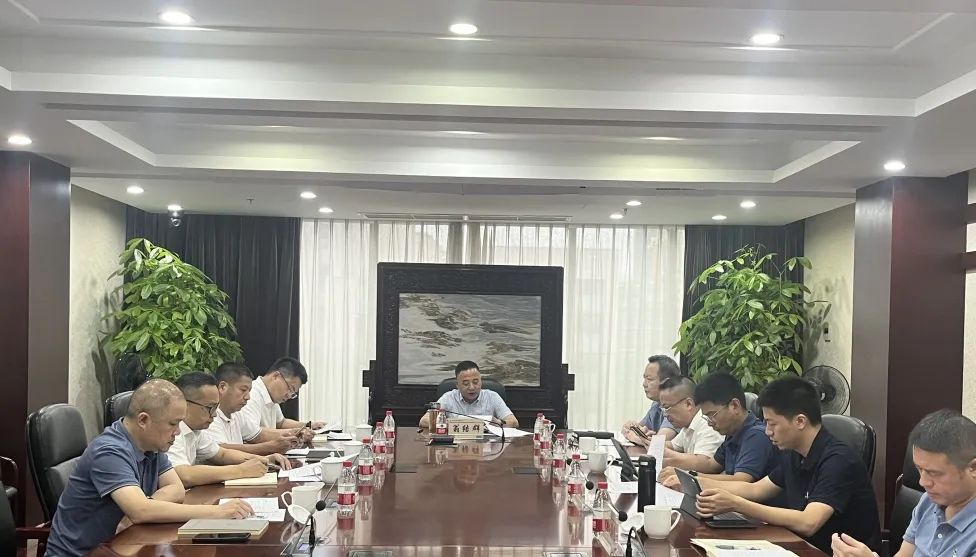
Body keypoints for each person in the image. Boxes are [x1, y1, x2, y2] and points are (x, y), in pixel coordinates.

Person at [45, 379, 253, 557]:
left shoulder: (151, 445)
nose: (177, 432)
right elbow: (141, 511)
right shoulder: (109, 451)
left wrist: (146, 505)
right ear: (144, 420)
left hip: (119, 547)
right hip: (84, 554)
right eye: (172, 424)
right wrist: (216, 512)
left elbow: (176, 490)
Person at [695, 376, 881, 555]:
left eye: (772, 424)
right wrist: (695, 481)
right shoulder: (795, 454)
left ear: (800, 421)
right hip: (798, 546)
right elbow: (755, 489)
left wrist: (737, 504)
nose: (767, 432)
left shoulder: (839, 460)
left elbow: (809, 523)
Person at [831, 409, 976, 557]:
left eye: (934, 473)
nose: (923, 482)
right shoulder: (928, 502)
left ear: (973, 468)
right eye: (919, 469)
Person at [167, 372, 291, 487]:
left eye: (216, 407)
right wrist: (241, 471)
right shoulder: (172, 431)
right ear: (185, 404)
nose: (214, 414)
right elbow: (184, 475)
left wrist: (264, 460)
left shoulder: (196, 430)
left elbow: (222, 454)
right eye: (210, 407)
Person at [659, 372, 775, 487]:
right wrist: (681, 472)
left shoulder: (756, 435)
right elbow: (712, 465)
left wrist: (688, 477)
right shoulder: (732, 433)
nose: (709, 422)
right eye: (706, 417)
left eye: (712, 415)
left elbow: (741, 480)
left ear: (734, 405)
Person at [207, 362, 297, 456]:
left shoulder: (237, 413)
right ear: (222, 387)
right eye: (243, 390)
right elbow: (220, 451)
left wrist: (291, 435)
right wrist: (271, 447)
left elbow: (258, 435)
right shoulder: (209, 415)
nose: (248, 397)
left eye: (249, 391)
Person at [237, 357, 324, 447]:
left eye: (293, 393)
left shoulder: (272, 395)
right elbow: (254, 434)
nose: (289, 396)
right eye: (290, 389)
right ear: (276, 376)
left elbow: (281, 423)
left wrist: (308, 425)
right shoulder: (252, 395)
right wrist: (295, 434)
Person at [419, 361, 518, 428]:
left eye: (475, 382)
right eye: (466, 383)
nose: (471, 387)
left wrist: (497, 423)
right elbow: (424, 421)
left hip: (486, 446)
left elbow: (513, 422)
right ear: (457, 385)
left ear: (481, 382)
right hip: (456, 446)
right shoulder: (448, 397)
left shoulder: (492, 396)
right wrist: (450, 424)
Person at [659, 377, 724, 469]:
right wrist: (649, 442)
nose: (665, 415)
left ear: (688, 404)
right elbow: (673, 446)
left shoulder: (707, 423)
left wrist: (663, 452)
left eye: (667, 408)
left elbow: (705, 463)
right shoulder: (688, 424)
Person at [621, 355, 680, 445]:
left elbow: (658, 443)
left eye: (649, 379)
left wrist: (633, 437)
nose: (644, 384)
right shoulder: (656, 404)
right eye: (644, 378)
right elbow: (640, 430)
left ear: (667, 383)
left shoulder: (677, 406)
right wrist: (630, 428)